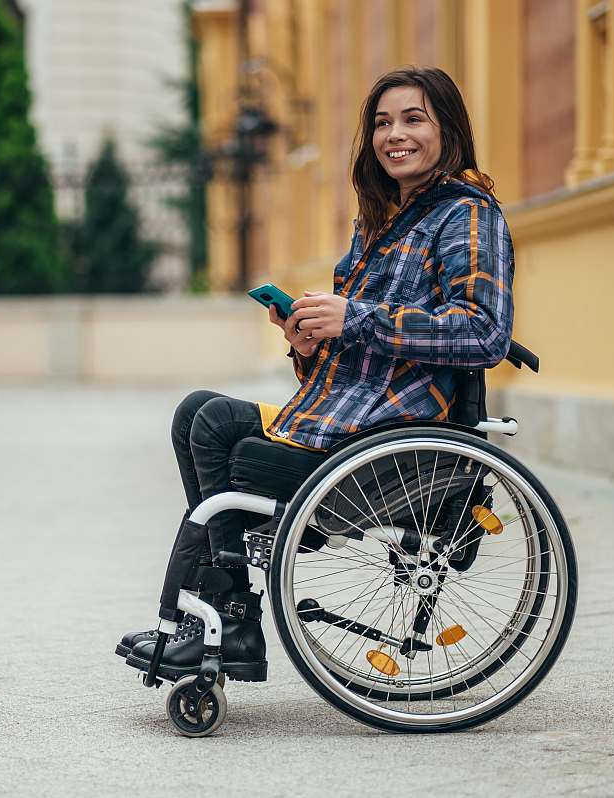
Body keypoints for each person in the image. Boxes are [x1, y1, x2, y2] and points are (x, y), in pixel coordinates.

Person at [117, 66, 516, 681]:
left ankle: (225, 622)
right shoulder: (379, 225)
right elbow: (350, 348)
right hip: (340, 417)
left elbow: (483, 331)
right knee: (197, 412)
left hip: (388, 440)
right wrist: (306, 339)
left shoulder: (465, 216)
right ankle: (229, 620)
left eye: (414, 120)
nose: (394, 135)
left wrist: (354, 317)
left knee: (221, 433)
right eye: (382, 123)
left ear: (449, 132)